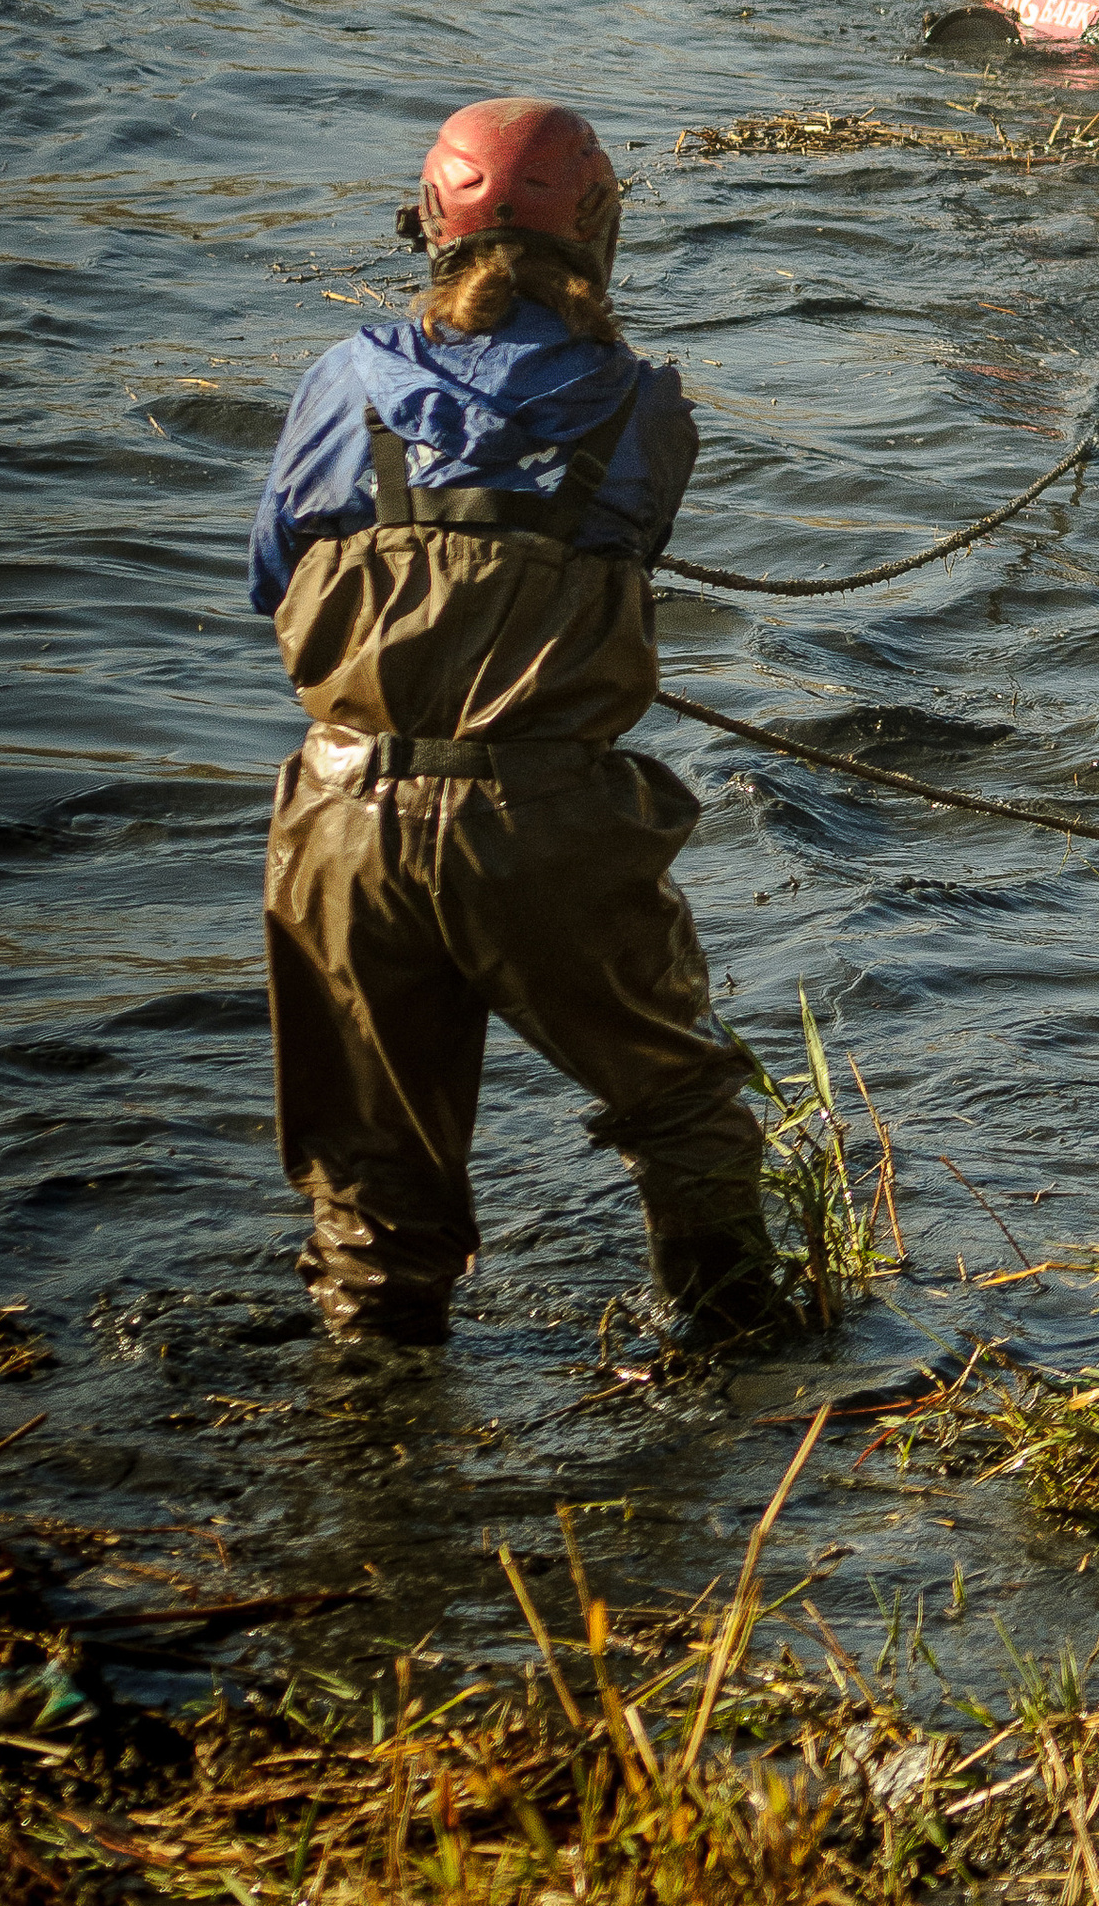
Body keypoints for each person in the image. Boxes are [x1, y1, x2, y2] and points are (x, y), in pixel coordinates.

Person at [249, 97, 778, 1351]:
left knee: (370, 1170)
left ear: (431, 220)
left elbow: (275, 579)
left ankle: (376, 1432)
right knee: (680, 1097)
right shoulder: (643, 402)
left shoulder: (343, 376)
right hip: (541, 822)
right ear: (598, 227)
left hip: (338, 823)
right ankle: (745, 1369)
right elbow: (627, 545)